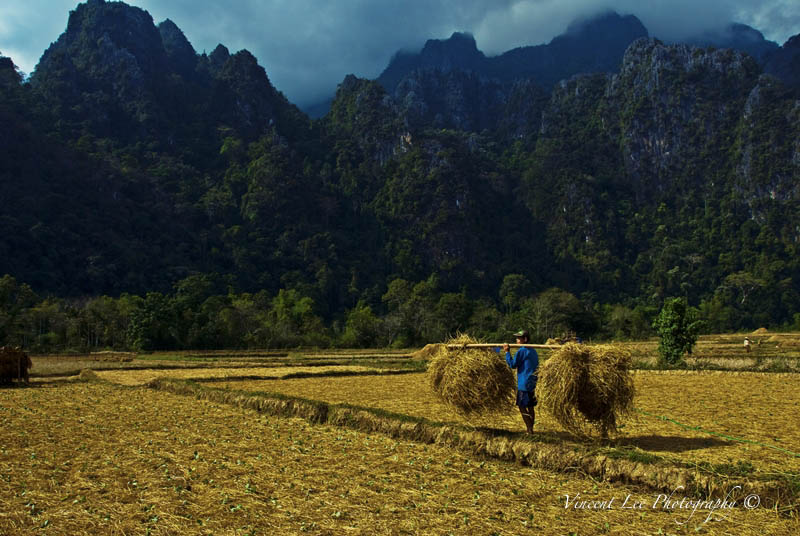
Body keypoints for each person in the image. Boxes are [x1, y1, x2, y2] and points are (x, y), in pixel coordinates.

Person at [503, 329, 539, 435]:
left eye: (519, 338)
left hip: (524, 382)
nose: (517, 340)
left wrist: (507, 352)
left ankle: (529, 429)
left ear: (525, 339)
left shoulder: (522, 350)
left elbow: (513, 364)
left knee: (522, 406)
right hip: (533, 382)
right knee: (530, 406)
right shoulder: (533, 350)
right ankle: (531, 429)